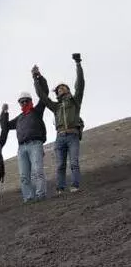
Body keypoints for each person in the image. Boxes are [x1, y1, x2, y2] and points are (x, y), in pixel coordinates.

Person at [33, 55, 85, 194]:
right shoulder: (56, 106)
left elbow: (80, 84)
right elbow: (42, 96)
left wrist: (78, 64)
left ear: (67, 89)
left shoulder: (75, 101)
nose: (60, 89)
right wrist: (36, 78)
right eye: (58, 89)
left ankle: (75, 185)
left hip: (73, 135)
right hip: (60, 136)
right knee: (60, 165)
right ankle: (60, 188)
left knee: (74, 163)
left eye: (63, 87)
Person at [5, 80, 49, 203]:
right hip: (21, 148)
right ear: (20, 103)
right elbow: (6, 125)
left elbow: (44, 93)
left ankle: (41, 195)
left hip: (35, 144)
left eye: (26, 100)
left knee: (37, 171)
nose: (24, 103)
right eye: (22, 101)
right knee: (24, 176)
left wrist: (37, 77)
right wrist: (4, 113)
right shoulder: (19, 118)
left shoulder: (37, 111)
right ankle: (28, 198)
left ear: (30, 101)